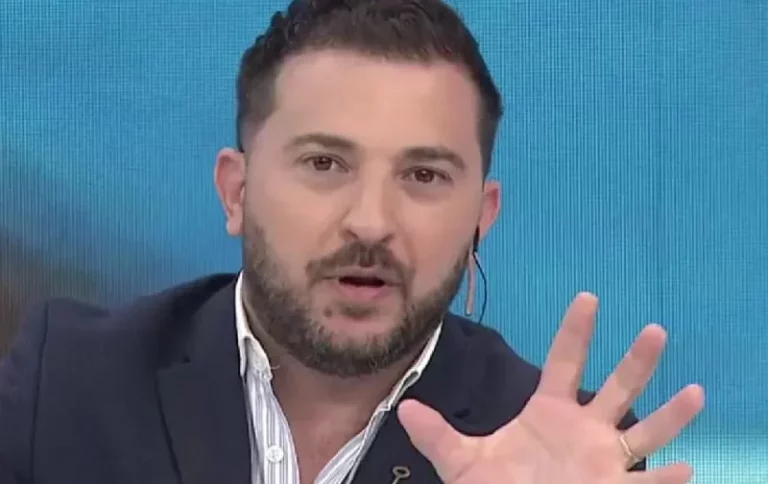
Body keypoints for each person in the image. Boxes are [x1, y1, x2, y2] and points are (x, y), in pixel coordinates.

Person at [0, 0, 705, 483]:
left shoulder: (561, 450)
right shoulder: (67, 383)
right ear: (236, 192)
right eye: (325, 164)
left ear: (480, 217)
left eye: (423, 175)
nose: (370, 221)